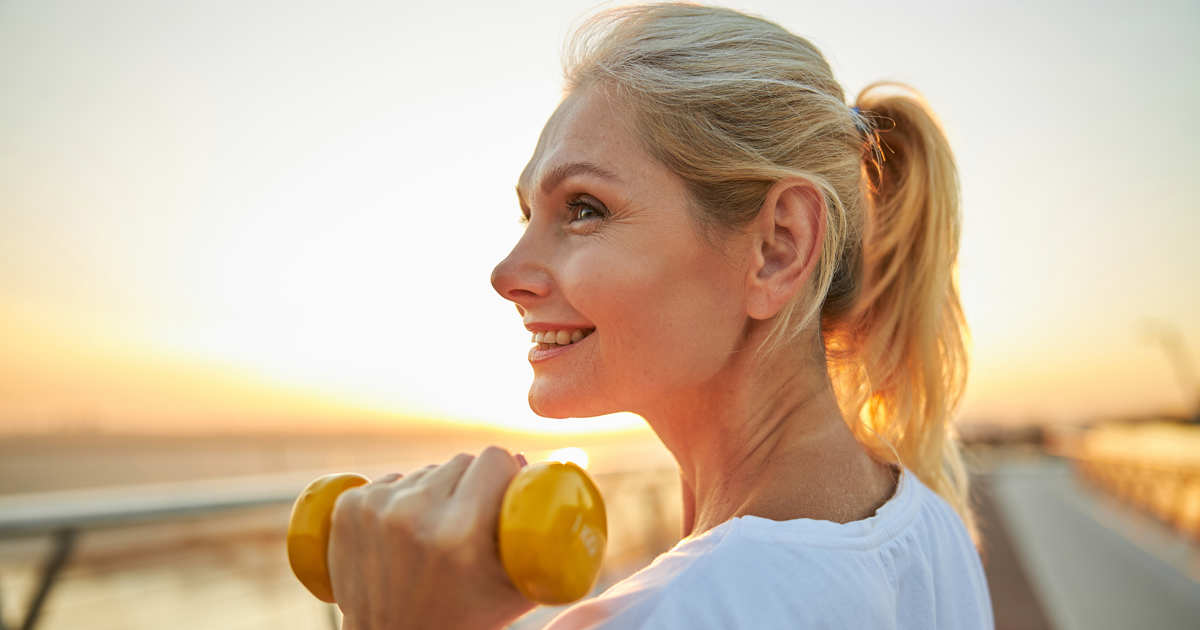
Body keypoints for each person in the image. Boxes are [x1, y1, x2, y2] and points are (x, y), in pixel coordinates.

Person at [327, 3, 993, 629]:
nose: (507, 276)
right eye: (530, 214)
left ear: (778, 247)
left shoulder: (669, 615)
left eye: (584, 208)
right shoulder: (931, 530)